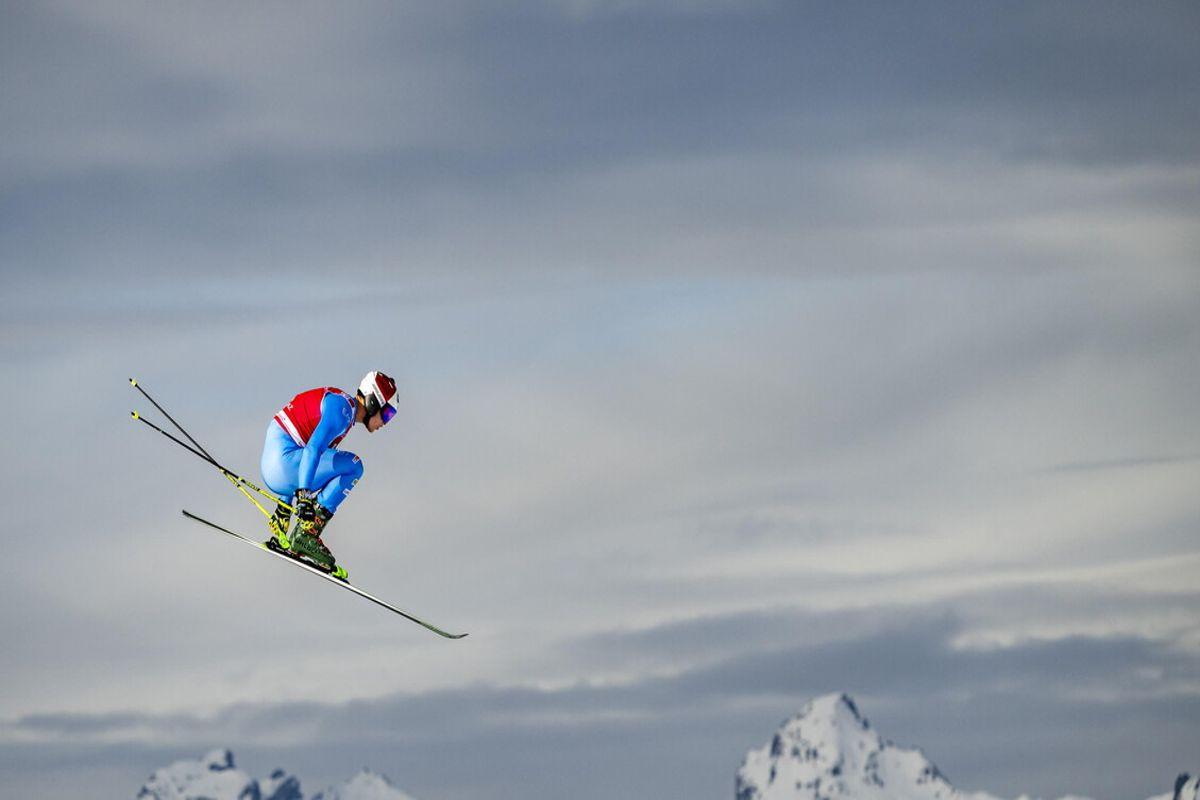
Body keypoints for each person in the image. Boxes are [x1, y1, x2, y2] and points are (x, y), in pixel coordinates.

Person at [259, 371, 398, 579]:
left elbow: (301, 445)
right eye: (387, 414)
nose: (386, 422)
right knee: (354, 467)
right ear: (372, 402)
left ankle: (300, 530)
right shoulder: (343, 411)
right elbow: (312, 450)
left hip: (277, 467)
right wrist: (304, 496)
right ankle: (307, 534)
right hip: (284, 464)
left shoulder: (342, 408)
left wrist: (285, 506)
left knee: (335, 461)